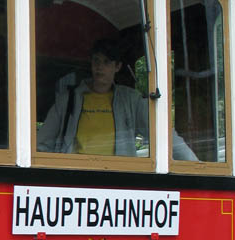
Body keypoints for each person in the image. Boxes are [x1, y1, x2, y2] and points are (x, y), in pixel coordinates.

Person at [37, 38, 196, 160]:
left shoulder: (130, 100)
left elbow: (164, 136)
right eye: (96, 61)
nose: (100, 67)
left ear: (117, 67)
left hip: (117, 183)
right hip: (74, 180)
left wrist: (193, 164)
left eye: (106, 62)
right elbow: (42, 143)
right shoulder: (68, 100)